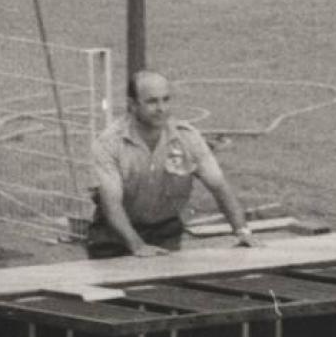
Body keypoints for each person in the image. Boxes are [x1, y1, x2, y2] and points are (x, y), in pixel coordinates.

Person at [84, 70, 257, 258]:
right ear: (132, 105)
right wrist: (138, 246)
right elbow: (112, 205)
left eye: (166, 100)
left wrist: (242, 232)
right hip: (113, 237)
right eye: (152, 102)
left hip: (164, 232)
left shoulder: (187, 137)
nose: (161, 108)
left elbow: (219, 187)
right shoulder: (108, 144)